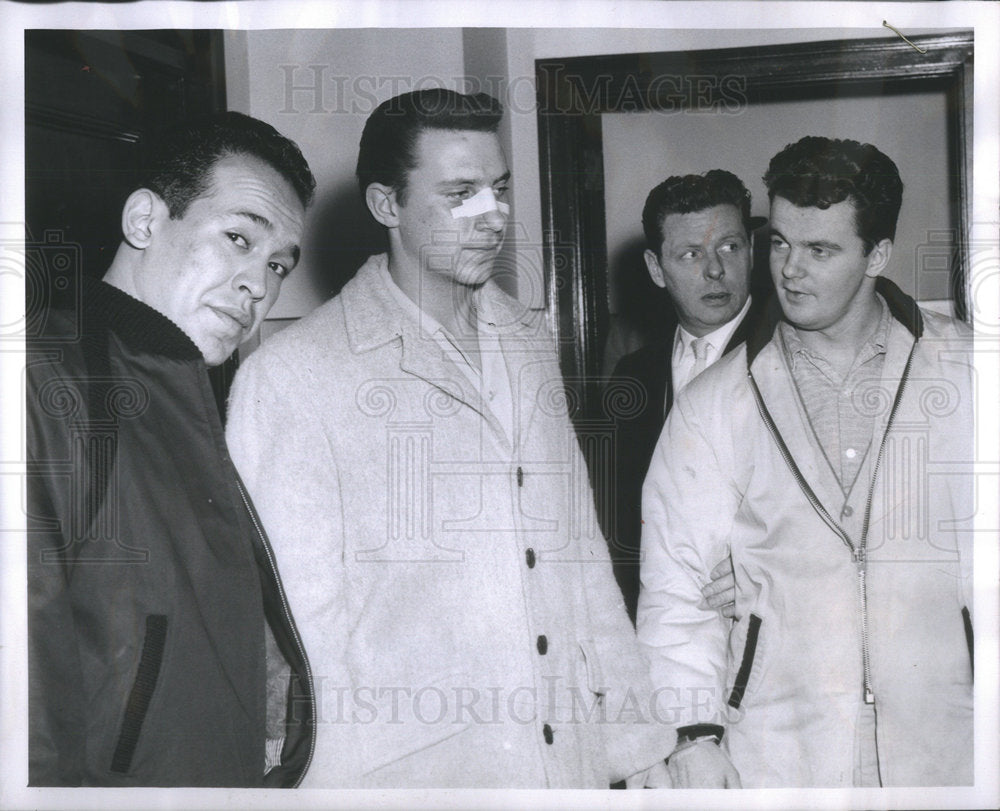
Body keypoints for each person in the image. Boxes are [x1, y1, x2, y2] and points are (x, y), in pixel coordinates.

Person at [226, 89, 673, 788]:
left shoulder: (527, 339)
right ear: (386, 206)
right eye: (460, 193)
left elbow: (579, 556)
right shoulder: (293, 377)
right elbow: (299, 642)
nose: (492, 217)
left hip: (567, 766)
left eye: (498, 190)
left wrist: (637, 741)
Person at [637, 136, 974, 787]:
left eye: (820, 249)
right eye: (781, 243)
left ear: (877, 254)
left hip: (951, 746)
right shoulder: (715, 404)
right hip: (782, 754)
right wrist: (693, 735)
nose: (790, 270)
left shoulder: (968, 369)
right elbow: (675, 592)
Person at [27, 112, 317, 787]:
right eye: (238, 238)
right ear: (145, 222)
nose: (259, 285)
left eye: (276, 264)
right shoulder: (43, 384)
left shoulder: (198, 405)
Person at [602, 170, 767, 622]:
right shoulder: (631, 378)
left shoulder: (790, 358)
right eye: (691, 253)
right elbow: (614, 528)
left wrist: (776, 571)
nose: (714, 269)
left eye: (730, 247)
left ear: (751, 252)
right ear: (657, 269)